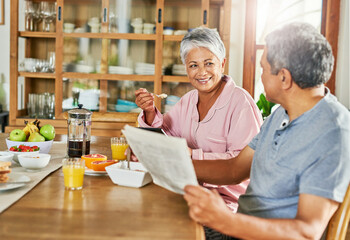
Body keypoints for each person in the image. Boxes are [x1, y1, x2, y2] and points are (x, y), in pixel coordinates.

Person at [183, 22, 350, 240]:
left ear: (284, 77)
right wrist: (174, 165)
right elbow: (234, 169)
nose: (260, 76)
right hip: (235, 228)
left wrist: (225, 220)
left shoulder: (333, 132)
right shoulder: (282, 113)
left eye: (262, 69)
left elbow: (306, 232)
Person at [135, 27, 263, 213]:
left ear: (222, 64)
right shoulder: (188, 101)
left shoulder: (241, 103)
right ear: (186, 68)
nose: (202, 72)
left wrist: (191, 154)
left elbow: (242, 164)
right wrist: (148, 111)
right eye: (194, 65)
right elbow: (165, 135)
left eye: (209, 63)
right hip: (189, 194)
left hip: (229, 206)